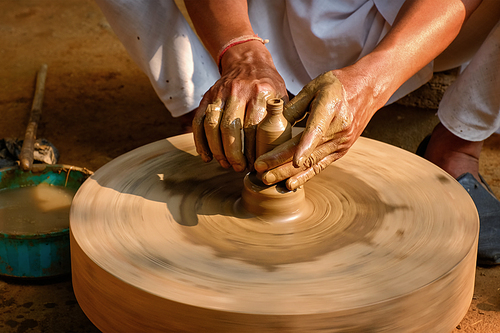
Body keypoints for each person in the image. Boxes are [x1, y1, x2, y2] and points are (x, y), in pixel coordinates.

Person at [94, 0, 500, 264]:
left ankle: (458, 144)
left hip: (419, 27)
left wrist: (371, 84)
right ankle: (206, 107)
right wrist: (242, 51)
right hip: (268, 16)